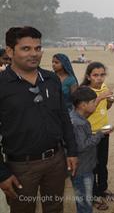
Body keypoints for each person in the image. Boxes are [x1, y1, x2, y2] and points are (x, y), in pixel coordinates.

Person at [0, 26, 78, 212]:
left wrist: (72, 151)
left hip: (56, 160)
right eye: (26, 48)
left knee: (54, 207)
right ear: (10, 51)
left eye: (38, 48)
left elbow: (64, 118)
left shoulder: (51, 79)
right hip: (20, 167)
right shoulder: (2, 84)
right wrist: (2, 174)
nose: (34, 54)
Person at [70, 86, 114, 213]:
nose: (95, 104)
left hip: (84, 166)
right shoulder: (78, 123)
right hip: (82, 168)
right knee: (84, 202)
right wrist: (100, 133)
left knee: (83, 199)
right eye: (93, 102)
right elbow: (83, 146)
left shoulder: (76, 116)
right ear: (83, 105)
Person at [81, 62, 114, 210]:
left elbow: (106, 108)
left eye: (102, 75)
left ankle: (103, 189)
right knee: (92, 166)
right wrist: (100, 98)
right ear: (88, 76)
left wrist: (109, 102)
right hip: (90, 134)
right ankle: (94, 196)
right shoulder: (84, 91)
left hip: (104, 132)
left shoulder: (104, 87)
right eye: (95, 75)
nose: (99, 78)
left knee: (103, 163)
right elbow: (85, 113)